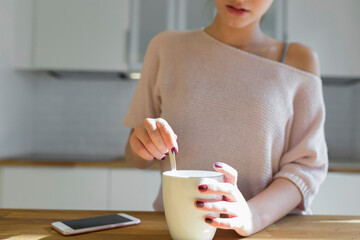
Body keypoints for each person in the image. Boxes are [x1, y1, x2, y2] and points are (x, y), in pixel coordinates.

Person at [123, 0, 328, 236]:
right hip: (181, 230)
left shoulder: (299, 60)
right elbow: (136, 159)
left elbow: (305, 167)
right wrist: (143, 145)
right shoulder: (165, 47)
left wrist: (251, 215)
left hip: (267, 232)